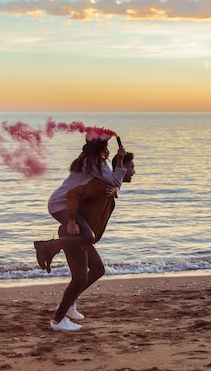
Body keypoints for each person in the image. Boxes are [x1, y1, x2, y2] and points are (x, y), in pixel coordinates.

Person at [35, 150, 136, 332]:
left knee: (98, 269)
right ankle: (58, 320)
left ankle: (69, 304)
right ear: (120, 169)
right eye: (131, 168)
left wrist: (115, 189)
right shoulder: (101, 186)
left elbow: (113, 187)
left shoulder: (110, 188)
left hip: (81, 236)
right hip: (74, 234)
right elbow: (74, 195)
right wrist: (72, 221)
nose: (134, 172)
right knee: (80, 277)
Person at [34, 135, 126, 273]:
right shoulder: (95, 162)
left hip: (61, 202)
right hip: (62, 204)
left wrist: (115, 190)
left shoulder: (87, 158)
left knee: (87, 239)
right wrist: (120, 159)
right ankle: (46, 246)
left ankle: (52, 249)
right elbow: (116, 181)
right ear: (102, 146)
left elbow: (109, 185)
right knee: (88, 236)